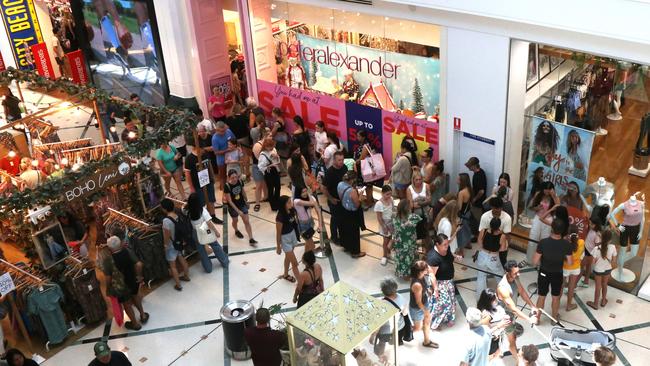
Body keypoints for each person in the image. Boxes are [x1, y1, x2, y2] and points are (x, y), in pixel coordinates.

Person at [99, 236, 147, 330]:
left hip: (120, 286)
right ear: (120, 243)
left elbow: (108, 278)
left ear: (109, 248)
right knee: (135, 296)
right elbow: (139, 264)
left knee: (127, 304)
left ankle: (135, 324)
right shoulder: (127, 251)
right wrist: (139, 277)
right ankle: (143, 315)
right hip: (133, 280)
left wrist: (108, 287)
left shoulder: (108, 260)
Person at [497, 261, 540, 361]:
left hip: (511, 314)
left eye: (518, 272)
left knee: (508, 336)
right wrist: (529, 319)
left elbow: (522, 291)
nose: (518, 274)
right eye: (515, 273)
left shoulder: (515, 278)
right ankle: (518, 361)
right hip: (504, 316)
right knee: (512, 341)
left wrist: (532, 306)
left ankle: (500, 349)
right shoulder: (503, 288)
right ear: (508, 272)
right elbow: (514, 309)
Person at [533, 218, 573, 321]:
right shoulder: (566, 245)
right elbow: (570, 262)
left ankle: (537, 319)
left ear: (552, 228)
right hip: (557, 274)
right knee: (555, 297)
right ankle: (554, 318)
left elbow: (535, 261)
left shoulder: (543, 242)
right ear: (563, 230)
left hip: (543, 272)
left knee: (541, 296)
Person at [187, 193, 229, 273]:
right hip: (205, 231)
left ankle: (208, 268)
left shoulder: (187, 211)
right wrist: (216, 232)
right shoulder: (202, 210)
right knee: (216, 246)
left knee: (202, 252)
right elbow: (209, 223)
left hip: (195, 233)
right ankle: (224, 262)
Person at [184, 139, 222, 224]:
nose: (203, 150)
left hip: (208, 181)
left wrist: (212, 177)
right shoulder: (189, 159)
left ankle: (213, 216)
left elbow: (209, 165)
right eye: (202, 149)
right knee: (201, 202)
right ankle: (204, 219)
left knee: (211, 199)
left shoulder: (205, 155)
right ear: (196, 148)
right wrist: (191, 187)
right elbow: (187, 174)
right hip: (197, 185)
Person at [427, 234, 460, 330]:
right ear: (437, 244)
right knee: (443, 304)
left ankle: (448, 318)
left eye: (447, 244)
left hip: (449, 282)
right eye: (444, 245)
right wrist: (436, 289)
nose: (447, 246)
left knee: (451, 301)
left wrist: (456, 256)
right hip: (439, 283)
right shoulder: (433, 257)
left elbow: (449, 255)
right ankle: (435, 323)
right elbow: (432, 275)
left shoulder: (446, 249)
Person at [373, 278, 408, 361]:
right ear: (396, 288)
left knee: (382, 343)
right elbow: (405, 313)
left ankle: (381, 356)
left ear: (383, 291)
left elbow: (379, 322)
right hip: (399, 326)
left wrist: (373, 334)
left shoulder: (382, 304)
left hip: (385, 330)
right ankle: (392, 348)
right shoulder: (401, 297)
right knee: (393, 340)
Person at [161, 199, 191, 291]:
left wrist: (165, 246)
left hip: (171, 245)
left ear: (165, 209)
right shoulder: (176, 215)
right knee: (182, 258)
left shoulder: (166, 221)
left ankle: (178, 285)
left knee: (173, 266)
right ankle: (186, 276)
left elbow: (167, 235)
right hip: (179, 242)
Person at [409, 261, 438, 349]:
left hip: (424, 303)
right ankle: (403, 332)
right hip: (417, 308)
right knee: (417, 328)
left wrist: (427, 291)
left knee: (427, 322)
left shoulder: (421, 276)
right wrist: (425, 311)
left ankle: (427, 341)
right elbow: (418, 302)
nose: (427, 269)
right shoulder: (417, 284)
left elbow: (431, 273)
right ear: (420, 272)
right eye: (425, 269)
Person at [527, 181, 559, 264]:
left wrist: (553, 196)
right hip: (538, 218)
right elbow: (531, 207)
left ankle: (541, 262)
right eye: (546, 189)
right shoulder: (538, 194)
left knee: (545, 241)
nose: (547, 191)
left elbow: (558, 207)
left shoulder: (554, 197)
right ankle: (531, 260)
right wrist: (537, 208)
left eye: (549, 189)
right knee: (533, 238)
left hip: (548, 220)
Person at [476, 289, 512, 360]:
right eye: (494, 300)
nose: (496, 301)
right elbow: (485, 332)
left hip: (497, 336)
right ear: (488, 301)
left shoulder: (490, 308)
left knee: (496, 353)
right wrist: (499, 325)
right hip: (491, 339)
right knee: (489, 357)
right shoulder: (486, 315)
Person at [475, 217, 507, 298]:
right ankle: (504, 297)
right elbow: (502, 249)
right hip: (493, 257)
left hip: (482, 255)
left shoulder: (484, 231)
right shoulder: (502, 236)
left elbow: (479, 243)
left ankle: (480, 298)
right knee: (500, 277)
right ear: (499, 226)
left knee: (481, 277)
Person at [321, 151, 347, 245]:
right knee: (335, 219)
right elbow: (323, 188)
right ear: (334, 160)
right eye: (339, 160)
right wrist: (331, 199)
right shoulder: (330, 172)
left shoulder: (344, 167)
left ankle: (343, 235)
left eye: (342, 160)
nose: (341, 162)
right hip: (334, 200)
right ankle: (334, 237)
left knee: (342, 218)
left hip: (343, 199)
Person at [224, 169, 257, 245]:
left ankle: (251, 238)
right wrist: (238, 211)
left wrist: (247, 201)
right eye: (232, 178)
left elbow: (243, 192)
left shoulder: (240, 181)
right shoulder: (227, 186)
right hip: (233, 207)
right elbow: (230, 201)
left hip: (241, 204)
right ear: (229, 178)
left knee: (246, 221)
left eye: (236, 177)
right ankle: (236, 230)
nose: (235, 179)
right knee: (235, 220)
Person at [337, 171, 365, 258]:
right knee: (353, 233)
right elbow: (357, 204)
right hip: (352, 213)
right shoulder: (352, 191)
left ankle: (346, 246)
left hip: (343, 210)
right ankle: (355, 252)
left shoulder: (340, 184)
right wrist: (360, 196)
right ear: (352, 180)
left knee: (345, 230)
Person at [478, 197, 512, 267]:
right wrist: (481, 248)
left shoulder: (507, 218)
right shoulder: (485, 216)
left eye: (499, 208)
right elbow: (481, 233)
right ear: (491, 207)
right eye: (495, 208)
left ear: (502, 207)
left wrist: (506, 247)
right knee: (484, 266)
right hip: (487, 245)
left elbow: (507, 235)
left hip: (501, 244)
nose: (497, 210)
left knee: (502, 264)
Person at [587, 230, 616, 310]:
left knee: (598, 287)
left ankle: (595, 304)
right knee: (604, 284)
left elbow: (593, 262)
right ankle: (603, 301)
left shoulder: (596, 248)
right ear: (610, 239)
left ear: (602, 238)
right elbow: (613, 261)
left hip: (598, 270)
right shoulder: (613, 247)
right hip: (608, 269)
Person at [393, 200, 421, 278]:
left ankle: (400, 273)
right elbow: (420, 218)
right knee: (409, 258)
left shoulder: (395, 217)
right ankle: (407, 274)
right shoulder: (413, 217)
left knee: (400, 258)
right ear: (408, 208)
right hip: (409, 243)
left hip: (399, 241)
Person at [276, 195, 301, 283]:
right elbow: (278, 233)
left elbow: (294, 223)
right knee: (295, 263)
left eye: (291, 201)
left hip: (292, 235)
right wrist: (278, 246)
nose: (291, 203)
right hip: (285, 239)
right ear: (283, 204)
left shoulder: (291, 211)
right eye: (289, 202)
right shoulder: (280, 217)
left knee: (288, 257)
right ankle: (300, 282)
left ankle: (285, 274)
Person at [211, 121, 237, 193]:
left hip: (231, 157)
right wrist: (227, 150)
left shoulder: (228, 131)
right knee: (223, 176)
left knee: (232, 174)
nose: (223, 133)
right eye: (221, 131)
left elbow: (234, 140)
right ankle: (223, 191)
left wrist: (236, 148)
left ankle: (233, 189)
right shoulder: (214, 138)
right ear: (217, 130)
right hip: (221, 160)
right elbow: (216, 152)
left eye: (224, 130)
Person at [407, 170, 431, 246]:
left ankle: (425, 250)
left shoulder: (426, 186)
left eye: (420, 179)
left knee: (426, 233)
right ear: (413, 179)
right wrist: (424, 202)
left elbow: (430, 200)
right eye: (416, 179)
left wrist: (418, 203)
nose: (418, 181)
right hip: (415, 215)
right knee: (415, 233)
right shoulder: (409, 189)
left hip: (426, 214)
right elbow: (411, 205)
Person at [465, 157, 487, 237]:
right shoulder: (481, 172)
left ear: (474, 166)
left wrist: (474, 199)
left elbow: (481, 191)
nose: (469, 168)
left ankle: (478, 235)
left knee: (477, 219)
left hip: (478, 203)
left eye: (470, 166)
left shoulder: (478, 176)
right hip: (479, 201)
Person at [258, 136, 282, 211]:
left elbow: (278, 161)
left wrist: (277, 156)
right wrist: (269, 165)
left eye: (272, 146)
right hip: (268, 172)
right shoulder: (262, 154)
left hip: (275, 170)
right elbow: (260, 166)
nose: (271, 148)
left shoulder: (274, 150)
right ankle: (273, 206)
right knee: (271, 189)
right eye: (269, 147)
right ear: (265, 146)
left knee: (278, 187)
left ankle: (277, 202)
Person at [563, 228, 584, 312]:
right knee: (571, 287)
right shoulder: (581, 242)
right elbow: (581, 255)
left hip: (565, 267)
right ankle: (569, 305)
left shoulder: (564, 243)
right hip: (575, 268)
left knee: (560, 287)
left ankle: (556, 304)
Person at [293, 185, 318, 253]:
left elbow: (315, 205)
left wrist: (308, 193)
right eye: (302, 192)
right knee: (312, 246)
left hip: (310, 222)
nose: (305, 193)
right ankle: (308, 259)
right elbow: (312, 203)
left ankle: (306, 257)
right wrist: (309, 193)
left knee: (308, 242)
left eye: (305, 191)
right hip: (302, 225)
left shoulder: (306, 199)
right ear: (298, 193)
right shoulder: (296, 201)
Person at [250, 123, 269, 212]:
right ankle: (257, 203)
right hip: (257, 167)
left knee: (265, 182)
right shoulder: (258, 145)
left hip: (264, 166)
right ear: (264, 135)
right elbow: (260, 160)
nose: (271, 135)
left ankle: (266, 196)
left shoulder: (268, 143)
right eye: (269, 134)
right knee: (259, 185)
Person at [375, 185, 395, 265]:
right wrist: (384, 227)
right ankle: (384, 256)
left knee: (391, 238)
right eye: (387, 194)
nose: (389, 196)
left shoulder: (391, 199)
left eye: (390, 194)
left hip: (391, 222)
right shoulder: (379, 204)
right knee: (386, 241)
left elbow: (393, 210)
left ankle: (389, 253)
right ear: (382, 193)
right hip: (384, 223)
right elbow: (379, 218)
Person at [580, 219, 603, 287]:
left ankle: (574, 284)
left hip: (590, 252)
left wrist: (602, 241)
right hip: (587, 250)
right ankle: (586, 281)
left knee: (581, 266)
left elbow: (597, 244)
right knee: (588, 266)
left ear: (596, 225)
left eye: (592, 224)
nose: (590, 225)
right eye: (590, 223)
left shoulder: (597, 234)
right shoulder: (591, 229)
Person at [456, 173, 473, 254]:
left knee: (460, 231)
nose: (457, 180)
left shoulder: (461, 192)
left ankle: (461, 251)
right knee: (467, 228)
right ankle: (468, 243)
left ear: (462, 181)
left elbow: (459, 206)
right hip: (468, 212)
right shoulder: (469, 189)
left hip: (462, 214)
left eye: (458, 179)